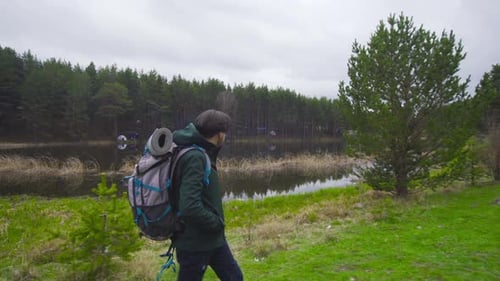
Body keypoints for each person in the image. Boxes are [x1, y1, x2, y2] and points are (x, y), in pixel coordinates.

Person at [171, 109, 243, 281]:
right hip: (195, 243)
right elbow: (189, 206)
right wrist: (215, 223)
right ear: (219, 135)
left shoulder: (202, 153)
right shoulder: (195, 157)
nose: (225, 137)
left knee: (235, 277)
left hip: (213, 240)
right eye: (225, 133)